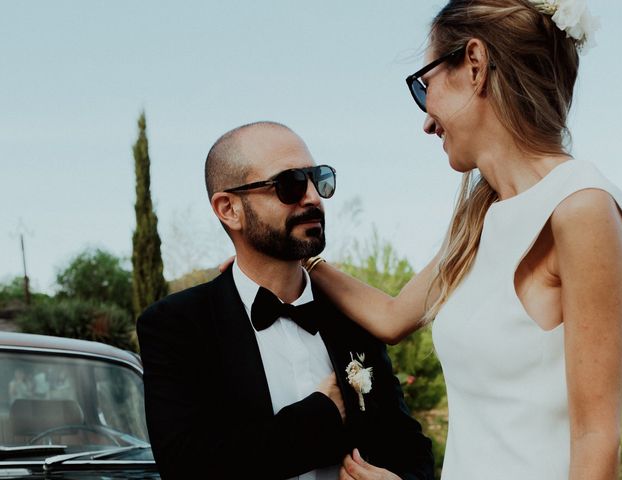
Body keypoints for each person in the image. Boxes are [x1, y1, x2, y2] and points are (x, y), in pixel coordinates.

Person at [307, 1, 622, 479]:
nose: (425, 119)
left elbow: (595, 443)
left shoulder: (580, 207)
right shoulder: (481, 217)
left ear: (476, 66)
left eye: (426, 85)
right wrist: (301, 264)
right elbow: (392, 316)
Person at [136, 121, 434, 480]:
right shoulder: (177, 325)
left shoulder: (352, 315)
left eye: (317, 179)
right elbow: (188, 466)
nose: (313, 197)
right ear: (229, 209)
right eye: (289, 184)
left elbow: (409, 449)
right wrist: (319, 417)